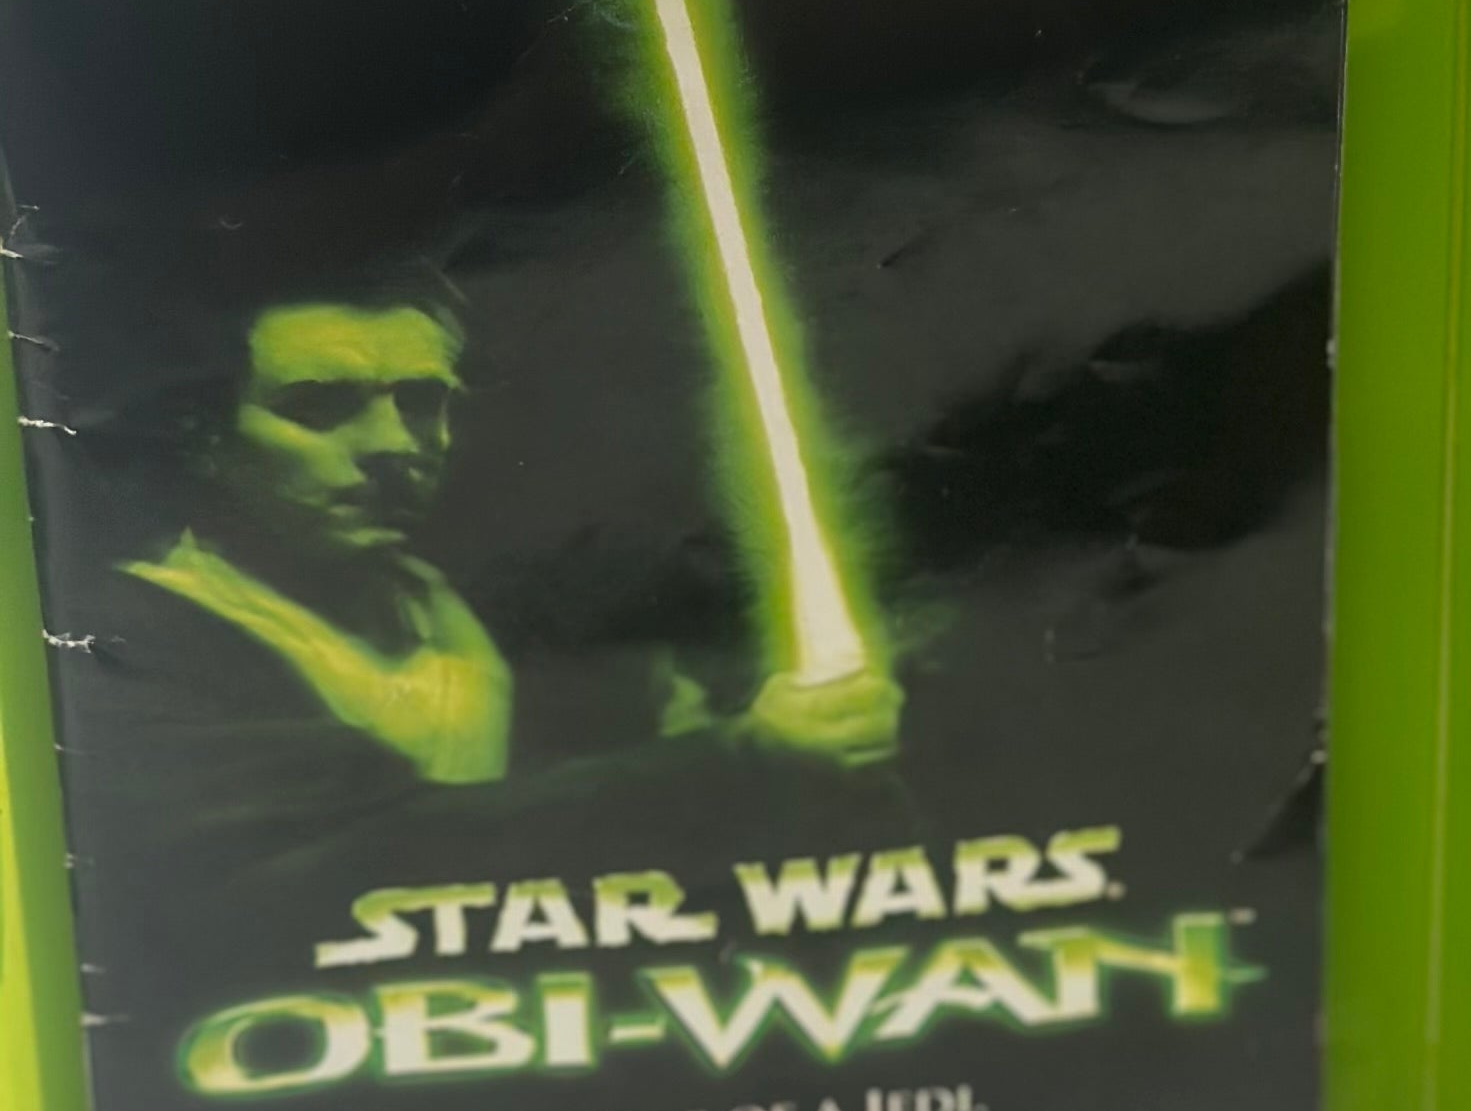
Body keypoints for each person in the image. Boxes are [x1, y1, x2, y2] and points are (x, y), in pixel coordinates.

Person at [118, 281, 900, 789]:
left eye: (421, 402)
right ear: (206, 439)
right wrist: (743, 758)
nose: (394, 445)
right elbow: (373, 844)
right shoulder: (137, 643)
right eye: (319, 406)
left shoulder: (486, 616)